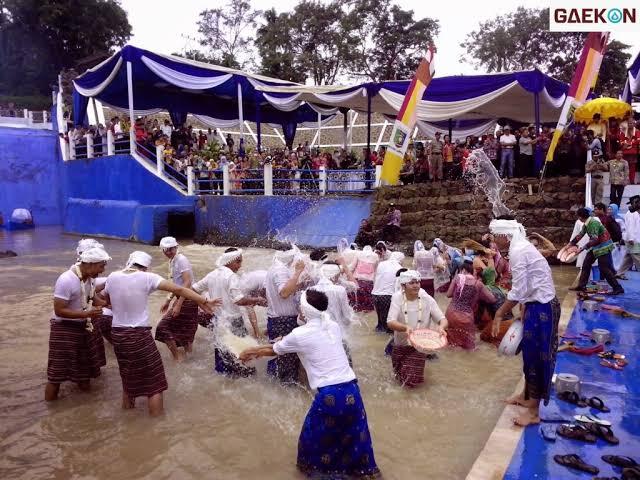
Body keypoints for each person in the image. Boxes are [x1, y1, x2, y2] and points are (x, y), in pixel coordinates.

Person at [239, 289, 381, 478]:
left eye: (300, 305)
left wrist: (250, 351)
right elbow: (303, 340)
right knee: (354, 437)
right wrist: (285, 340)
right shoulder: (332, 326)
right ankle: (363, 472)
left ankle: (321, 473)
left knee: (314, 439)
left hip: (329, 395)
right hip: (352, 391)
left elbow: (274, 350)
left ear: (304, 311)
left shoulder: (299, 334)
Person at [103, 251, 219, 416]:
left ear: (130, 262)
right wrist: (203, 301)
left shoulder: (112, 277)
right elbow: (180, 289)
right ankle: (156, 426)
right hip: (138, 334)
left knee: (128, 378)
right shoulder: (148, 277)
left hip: (118, 334)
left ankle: (128, 419)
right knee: (154, 384)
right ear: (146, 267)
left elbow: (104, 300)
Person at [489, 218, 560, 427]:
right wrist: (524, 307)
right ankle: (525, 395)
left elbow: (519, 290)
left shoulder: (519, 251)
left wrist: (499, 313)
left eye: (494, 236)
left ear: (505, 236)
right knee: (529, 354)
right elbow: (528, 286)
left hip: (543, 306)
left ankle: (533, 411)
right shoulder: (519, 248)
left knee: (539, 357)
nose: (493, 240)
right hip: (534, 304)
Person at [45, 247, 111, 401]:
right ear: (89, 264)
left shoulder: (90, 279)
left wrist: (110, 304)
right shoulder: (66, 279)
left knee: (85, 371)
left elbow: (92, 298)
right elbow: (59, 310)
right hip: (64, 329)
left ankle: (87, 410)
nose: (102, 271)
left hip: (84, 327)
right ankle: (50, 410)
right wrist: (86, 314)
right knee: (56, 375)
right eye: (101, 266)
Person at [192, 248, 267, 376]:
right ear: (229, 261)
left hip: (218, 320)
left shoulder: (212, 274)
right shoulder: (231, 276)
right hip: (234, 320)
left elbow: (193, 290)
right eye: (238, 262)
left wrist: (204, 304)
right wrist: (258, 299)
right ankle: (246, 380)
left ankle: (225, 381)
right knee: (244, 353)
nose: (240, 265)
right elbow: (239, 300)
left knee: (222, 353)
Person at [387, 270, 447, 388]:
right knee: (399, 377)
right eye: (412, 283)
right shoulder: (397, 298)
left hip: (419, 347)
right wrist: (405, 327)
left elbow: (442, 319)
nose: (416, 285)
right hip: (400, 344)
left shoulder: (427, 299)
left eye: (418, 282)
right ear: (403, 285)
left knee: (411, 381)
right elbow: (390, 322)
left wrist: (441, 327)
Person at [264, 246, 305, 384]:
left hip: (278, 319)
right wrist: (298, 272)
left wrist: (300, 285)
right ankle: (285, 389)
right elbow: (284, 293)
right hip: (283, 321)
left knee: (278, 355)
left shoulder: (276, 268)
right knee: (286, 360)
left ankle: (273, 387)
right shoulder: (280, 270)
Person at [155, 237, 199, 360]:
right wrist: (168, 301)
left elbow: (187, 283)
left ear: (176, 247)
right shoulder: (173, 260)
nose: (169, 252)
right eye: (166, 250)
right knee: (186, 329)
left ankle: (177, 358)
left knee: (162, 327)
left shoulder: (181, 260)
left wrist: (178, 305)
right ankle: (189, 361)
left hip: (187, 299)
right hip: (185, 297)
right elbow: (176, 284)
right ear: (162, 250)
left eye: (172, 249)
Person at [567, 208, 624, 295]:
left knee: (604, 268)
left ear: (580, 217)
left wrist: (582, 248)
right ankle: (582, 285)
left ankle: (617, 288)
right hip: (596, 246)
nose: (578, 218)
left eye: (578, 216)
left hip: (603, 247)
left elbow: (594, 239)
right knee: (586, 264)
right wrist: (571, 244)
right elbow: (580, 234)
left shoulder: (593, 223)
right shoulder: (587, 223)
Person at [445, 258, 496, 350]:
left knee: (450, 343)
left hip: (450, 313)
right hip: (465, 317)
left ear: (462, 271)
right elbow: (492, 299)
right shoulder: (478, 284)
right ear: (473, 272)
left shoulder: (457, 279)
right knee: (469, 348)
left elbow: (448, 294)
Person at [371, 251, 404, 333]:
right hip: (388, 296)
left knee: (380, 322)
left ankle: (377, 338)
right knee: (389, 324)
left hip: (375, 294)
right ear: (400, 259)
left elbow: (376, 278)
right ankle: (385, 342)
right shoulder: (399, 268)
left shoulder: (381, 264)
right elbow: (398, 287)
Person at [350, 245, 379, 312]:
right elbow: (376, 270)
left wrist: (347, 273)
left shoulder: (358, 254)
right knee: (368, 308)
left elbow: (352, 267)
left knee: (356, 307)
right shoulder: (375, 256)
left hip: (358, 282)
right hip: (369, 283)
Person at [618, 195, 640, 275]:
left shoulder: (634, 212)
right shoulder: (632, 213)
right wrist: (631, 238)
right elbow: (630, 226)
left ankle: (619, 273)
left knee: (628, 258)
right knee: (637, 257)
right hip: (633, 239)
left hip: (633, 238)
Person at [585, 130, 607, 205]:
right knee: (592, 194)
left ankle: (598, 207)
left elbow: (589, 148)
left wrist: (600, 165)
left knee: (599, 194)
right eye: (587, 136)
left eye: (589, 135)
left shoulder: (596, 140)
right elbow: (587, 170)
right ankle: (594, 207)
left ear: (591, 134)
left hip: (600, 177)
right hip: (593, 178)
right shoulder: (590, 163)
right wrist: (592, 167)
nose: (588, 137)